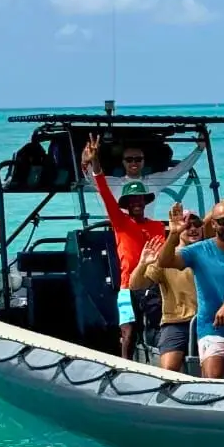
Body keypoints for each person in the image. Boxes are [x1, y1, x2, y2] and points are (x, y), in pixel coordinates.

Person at [81, 133, 166, 359]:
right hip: (128, 286)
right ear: (127, 204)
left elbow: (168, 253)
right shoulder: (120, 222)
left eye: (140, 199)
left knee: (156, 328)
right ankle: (125, 367)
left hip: (153, 285)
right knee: (128, 332)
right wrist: (95, 161)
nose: (137, 203)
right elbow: (104, 191)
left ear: (145, 202)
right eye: (133, 200)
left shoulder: (158, 226)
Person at [157, 199, 224, 379]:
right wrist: (174, 234)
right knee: (213, 375)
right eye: (222, 221)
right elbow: (165, 261)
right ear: (213, 224)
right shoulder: (198, 250)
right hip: (213, 325)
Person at [129, 209, 203, 372]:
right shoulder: (165, 258)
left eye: (197, 224)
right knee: (169, 367)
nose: (192, 228)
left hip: (208, 320)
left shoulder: (211, 252)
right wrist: (142, 264)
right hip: (176, 322)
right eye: (187, 225)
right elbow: (136, 285)